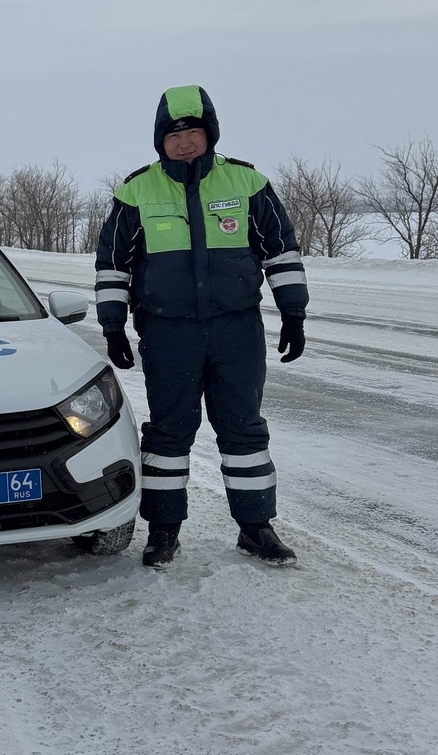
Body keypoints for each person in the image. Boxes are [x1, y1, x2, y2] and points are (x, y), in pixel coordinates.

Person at [95, 85, 308, 568]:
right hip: (168, 333)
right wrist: (113, 326)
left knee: (244, 430)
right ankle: (163, 530)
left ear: (210, 133)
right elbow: (113, 265)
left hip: (237, 330)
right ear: (160, 141)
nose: (184, 142)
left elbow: (281, 251)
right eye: (173, 135)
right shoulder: (136, 190)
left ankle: (256, 527)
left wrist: (293, 312)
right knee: (168, 434)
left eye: (192, 131)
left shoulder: (246, 182)